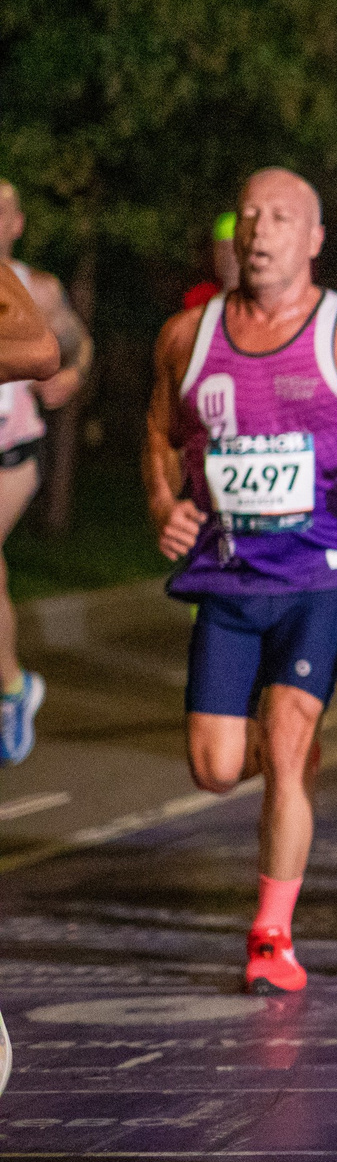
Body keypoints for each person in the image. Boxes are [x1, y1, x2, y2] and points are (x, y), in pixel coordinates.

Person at [143, 168, 337, 992]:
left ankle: (272, 935)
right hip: (228, 578)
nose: (259, 230)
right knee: (217, 767)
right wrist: (165, 500)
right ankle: (285, 749)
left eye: (281, 218)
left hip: (320, 571)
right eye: (249, 216)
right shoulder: (186, 337)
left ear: (312, 239)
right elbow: (160, 428)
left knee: (292, 734)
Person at [0, 184, 89, 766]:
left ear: (16, 223)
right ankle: (12, 687)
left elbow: (75, 346)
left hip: (10, 452)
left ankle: (10, 691)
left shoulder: (34, 287)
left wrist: (72, 375)